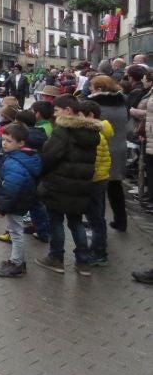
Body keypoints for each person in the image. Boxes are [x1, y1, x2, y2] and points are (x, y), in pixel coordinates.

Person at [34, 96, 99, 276]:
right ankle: (83, 262)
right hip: (81, 186)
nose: (54, 114)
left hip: (59, 184)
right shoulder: (91, 132)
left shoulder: (63, 130)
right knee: (76, 222)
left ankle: (56, 258)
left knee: (56, 221)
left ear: (68, 111)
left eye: (56, 110)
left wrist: (42, 173)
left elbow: (49, 156)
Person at [0, 123, 42, 277]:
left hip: (16, 202)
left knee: (16, 232)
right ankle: (16, 261)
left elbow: (11, 188)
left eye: (9, 141)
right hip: (21, 200)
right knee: (15, 231)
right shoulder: (26, 157)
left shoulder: (14, 163)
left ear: (20, 143)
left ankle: (17, 263)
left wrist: (2, 208)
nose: (4, 143)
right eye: (3, 139)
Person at [87, 75, 128, 233]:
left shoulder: (95, 106)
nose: (89, 88)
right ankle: (121, 221)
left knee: (98, 187)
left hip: (102, 148)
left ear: (99, 89)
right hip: (119, 146)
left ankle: (97, 222)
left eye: (92, 86)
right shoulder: (122, 102)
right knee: (115, 186)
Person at [76, 100, 111, 266]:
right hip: (98, 179)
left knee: (96, 219)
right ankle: (98, 250)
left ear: (90, 116)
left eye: (79, 115)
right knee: (95, 218)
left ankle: (99, 253)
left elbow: (92, 161)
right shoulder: (98, 132)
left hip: (94, 180)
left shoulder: (95, 136)